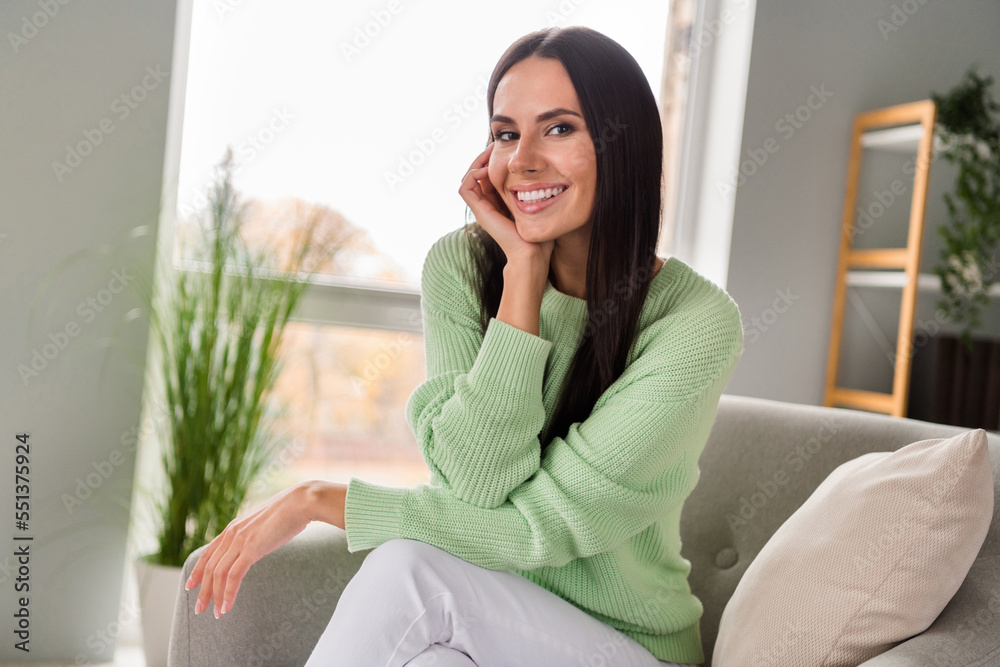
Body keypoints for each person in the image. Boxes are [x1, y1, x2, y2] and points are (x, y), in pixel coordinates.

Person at [183, 25, 743, 666]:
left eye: (558, 129)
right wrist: (523, 279)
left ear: (623, 147)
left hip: (628, 650)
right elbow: (471, 482)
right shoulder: (460, 268)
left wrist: (319, 499)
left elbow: (538, 528)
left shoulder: (695, 324)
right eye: (506, 134)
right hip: (488, 621)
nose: (523, 161)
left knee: (408, 574)